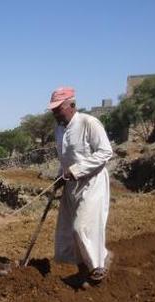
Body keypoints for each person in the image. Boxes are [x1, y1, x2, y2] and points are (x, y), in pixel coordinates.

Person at [48, 87, 113, 288]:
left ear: (72, 106)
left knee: (82, 227)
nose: (55, 113)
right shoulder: (59, 129)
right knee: (68, 230)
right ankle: (84, 269)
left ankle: (99, 265)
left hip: (91, 183)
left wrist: (77, 170)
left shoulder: (89, 123)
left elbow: (105, 153)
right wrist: (61, 176)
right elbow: (66, 158)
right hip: (71, 185)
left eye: (58, 109)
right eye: (53, 110)